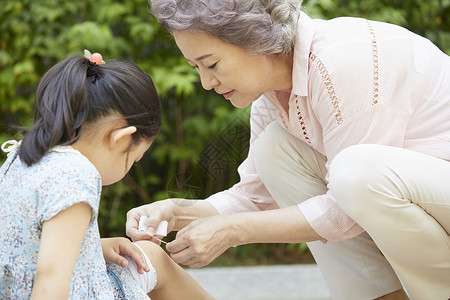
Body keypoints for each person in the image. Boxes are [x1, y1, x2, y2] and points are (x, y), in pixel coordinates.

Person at [126, 0, 450, 299]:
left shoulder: (343, 62)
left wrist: (233, 231)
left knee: (355, 173)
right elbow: (254, 197)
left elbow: (346, 208)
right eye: (196, 68)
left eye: (210, 64)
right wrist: (175, 212)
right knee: (275, 149)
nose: (206, 83)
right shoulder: (273, 95)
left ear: (255, 41)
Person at [0, 51, 213, 299]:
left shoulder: (23, 156)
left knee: (149, 254)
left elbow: (21, 245)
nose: (129, 168)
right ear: (120, 138)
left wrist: (95, 248)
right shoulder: (76, 177)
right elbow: (50, 282)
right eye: (134, 159)